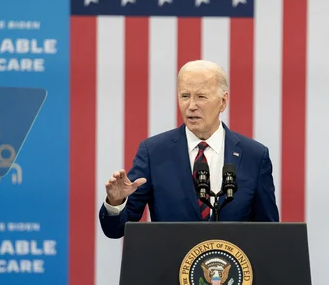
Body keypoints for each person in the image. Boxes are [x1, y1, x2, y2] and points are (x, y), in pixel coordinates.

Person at [98, 60, 279, 239]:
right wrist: (116, 202)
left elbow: (269, 234)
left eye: (201, 96)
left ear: (223, 102)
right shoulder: (154, 152)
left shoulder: (254, 156)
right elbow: (116, 230)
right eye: (185, 96)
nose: (191, 105)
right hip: (172, 266)